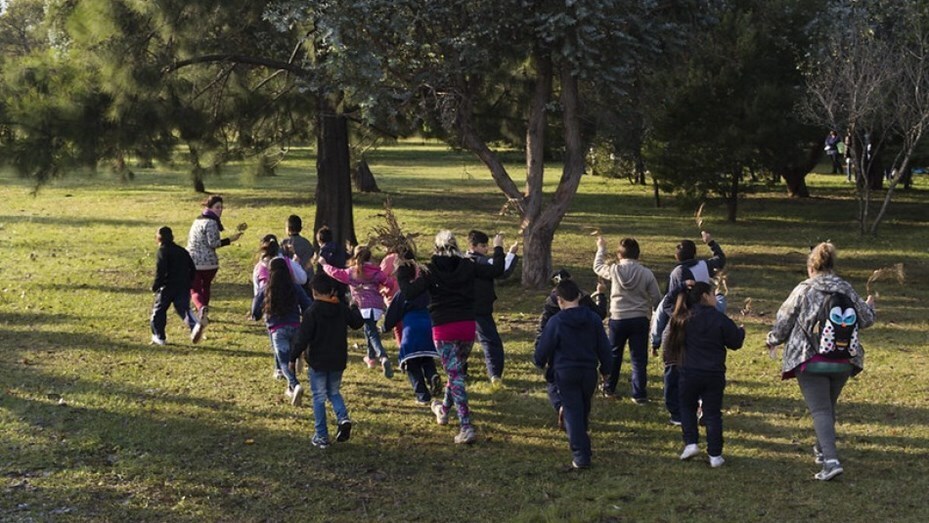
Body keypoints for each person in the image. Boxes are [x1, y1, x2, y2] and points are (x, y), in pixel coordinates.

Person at [766, 242, 875, 481]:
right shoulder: (845, 288)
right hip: (845, 359)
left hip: (810, 358)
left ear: (811, 267)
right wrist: (870, 307)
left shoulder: (804, 289)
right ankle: (821, 450)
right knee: (827, 407)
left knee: (821, 410)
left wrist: (772, 339)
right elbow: (866, 319)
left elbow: (784, 320)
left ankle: (831, 461)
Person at [396, 230, 504, 444]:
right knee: (454, 373)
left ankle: (466, 426)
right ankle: (443, 410)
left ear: (436, 248)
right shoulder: (468, 265)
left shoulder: (430, 271)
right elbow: (497, 270)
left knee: (455, 376)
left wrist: (402, 269)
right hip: (466, 326)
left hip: (443, 329)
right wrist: (499, 247)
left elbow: (408, 293)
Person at [534, 279, 612, 469]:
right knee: (583, 408)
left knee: (573, 412)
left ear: (560, 300)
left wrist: (539, 361)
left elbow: (544, 347)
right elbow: (604, 346)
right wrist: (606, 369)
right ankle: (582, 439)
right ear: (579, 296)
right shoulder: (593, 319)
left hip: (565, 371)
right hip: (588, 371)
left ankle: (581, 455)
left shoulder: (556, 321)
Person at [665, 282, 744, 468]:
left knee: (686, 407)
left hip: (688, 371)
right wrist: (741, 332)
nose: (716, 298)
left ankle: (691, 442)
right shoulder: (719, 319)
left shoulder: (683, 318)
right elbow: (735, 342)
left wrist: (681, 287)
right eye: (714, 294)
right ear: (705, 296)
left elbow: (668, 303)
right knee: (712, 413)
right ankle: (715, 454)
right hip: (713, 373)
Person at [652, 231, 726, 425]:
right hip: (704, 319)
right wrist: (711, 242)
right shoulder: (704, 265)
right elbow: (720, 260)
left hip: (682, 322)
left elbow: (668, 304)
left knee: (675, 369)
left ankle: (676, 412)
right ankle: (701, 404)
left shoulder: (677, 274)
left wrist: (657, 338)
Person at [292, 273, 365, 449]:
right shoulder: (340, 308)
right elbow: (356, 323)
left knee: (319, 397)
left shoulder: (312, 312)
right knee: (333, 391)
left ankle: (321, 435)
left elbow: (302, 338)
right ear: (331, 290)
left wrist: (293, 356)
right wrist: (354, 306)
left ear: (314, 291)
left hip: (317, 360)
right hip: (338, 359)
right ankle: (343, 418)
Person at [535, 269, 607, 428]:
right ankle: (578, 423)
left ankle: (561, 406)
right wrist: (601, 295)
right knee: (583, 390)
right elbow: (601, 314)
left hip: (557, 350)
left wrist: (540, 353)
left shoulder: (550, 302)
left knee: (554, 380)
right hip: (585, 351)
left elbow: (543, 326)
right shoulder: (583, 299)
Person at [593, 236, 661, 403]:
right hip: (639, 318)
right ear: (638, 255)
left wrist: (601, 248)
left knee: (614, 354)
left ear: (619, 255)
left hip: (618, 317)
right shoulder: (646, 273)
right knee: (638, 358)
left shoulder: (614, 270)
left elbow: (598, 267)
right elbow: (657, 298)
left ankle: (609, 387)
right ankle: (639, 394)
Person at [321, 246, 393, 378]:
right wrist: (385, 291)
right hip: (376, 306)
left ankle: (382, 356)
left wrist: (324, 264)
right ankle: (371, 357)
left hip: (362, 306)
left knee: (371, 332)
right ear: (369, 257)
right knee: (369, 329)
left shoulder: (352, 272)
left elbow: (335, 272)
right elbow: (390, 283)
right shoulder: (377, 272)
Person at [251, 258, 312, 406]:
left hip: (277, 330)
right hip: (295, 327)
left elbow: (255, 310)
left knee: (283, 362)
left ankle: (295, 384)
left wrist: (257, 316)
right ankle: (291, 388)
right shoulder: (295, 287)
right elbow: (307, 305)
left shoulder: (266, 288)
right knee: (291, 359)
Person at [466, 229, 519, 387]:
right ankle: (495, 374)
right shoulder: (481, 262)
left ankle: (458, 370)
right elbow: (500, 270)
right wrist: (500, 248)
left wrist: (509, 253)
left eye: (487, 246)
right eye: (483, 246)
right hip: (480, 309)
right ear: (473, 246)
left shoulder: (463, 261)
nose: (486, 249)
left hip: (463, 309)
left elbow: (499, 269)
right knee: (491, 342)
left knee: (462, 342)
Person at [186, 195, 243, 341]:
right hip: (210, 263)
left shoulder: (197, 221)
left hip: (193, 261)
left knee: (195, 289)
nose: (220, 210)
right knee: (206, 287)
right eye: (217, 207)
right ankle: (203, 312)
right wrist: (231, 239)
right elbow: (214, 243)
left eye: (221, 207)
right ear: (209, 208)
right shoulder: (211, 223)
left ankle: (200, 309)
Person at [383, 285, 442, 405]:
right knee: (426, 358)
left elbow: (393, 313)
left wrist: (385, 327)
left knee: (411, 363)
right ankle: (432, 376)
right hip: (428, 326)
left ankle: (423, 396)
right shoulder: (428, 290)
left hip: (411, 328)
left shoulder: (403, 293)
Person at [149, 226, 197, 345]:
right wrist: (189, 281)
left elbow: (161, 271)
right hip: (183, 285)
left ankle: (159, 336)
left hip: (167, 286)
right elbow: (192, 268)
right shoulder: (182, 250)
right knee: (182, 308)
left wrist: (156, 286)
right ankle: (195, 325)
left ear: (159, 239)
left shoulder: (163, 251)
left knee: (159, 311)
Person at [315, 225, 348, 301]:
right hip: (341, 282)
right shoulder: (340, 249)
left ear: (320, 241)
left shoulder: (323, 252)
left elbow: (320, 271)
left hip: (328, 285)